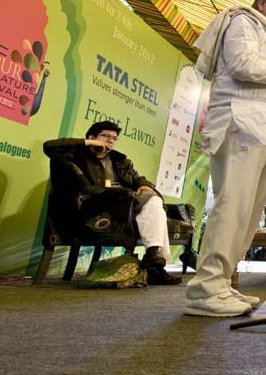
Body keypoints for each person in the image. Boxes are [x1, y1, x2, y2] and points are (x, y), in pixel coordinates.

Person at [183, 0, 266, 317]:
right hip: (241, 122)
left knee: (249, 211)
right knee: (233, 205)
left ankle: (221, 284)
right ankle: (205, 287)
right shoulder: (243, 21)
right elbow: (242, 66)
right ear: (261, 4)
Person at [43, 120, 181, 285]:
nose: (110, 141)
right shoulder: (76, 155)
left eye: (113, 138)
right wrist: (88, 143)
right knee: (153, 204)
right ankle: (155, 266)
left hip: (124, 206)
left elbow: (136, 177)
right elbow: (49, 146)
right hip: (92, 206)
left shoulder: (120, 161)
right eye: (105, 136)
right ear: (92, 137)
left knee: (153, 202)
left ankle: (154, 260)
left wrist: (144, 185)